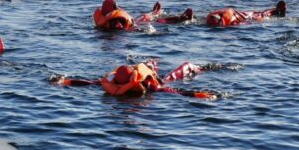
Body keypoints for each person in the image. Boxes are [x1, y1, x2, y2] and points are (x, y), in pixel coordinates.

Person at [51, 59, 219, 99]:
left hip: (158, 80)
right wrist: (65, 81)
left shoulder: (149, 85)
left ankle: (197, 67)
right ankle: (151, 63)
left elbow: (176, 91)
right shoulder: (114, 81)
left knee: (174, 76)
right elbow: (88, 83)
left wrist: (199, 94)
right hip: (137, 73)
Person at [94, 0, 193, 31]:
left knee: (147, 17)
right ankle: (183, 17)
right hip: (138, 23)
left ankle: (155, 11)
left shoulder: (115, 15)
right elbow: (120, 27)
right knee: (158, 21)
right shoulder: (109, 20)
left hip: (137, 22)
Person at [205, 1, 286, 27]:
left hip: (235, 15)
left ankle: (277, 10)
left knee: (260, 15)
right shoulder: (213, 18)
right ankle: (277, 10)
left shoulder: (212, 18)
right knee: (260, 15)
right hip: (235, 15)